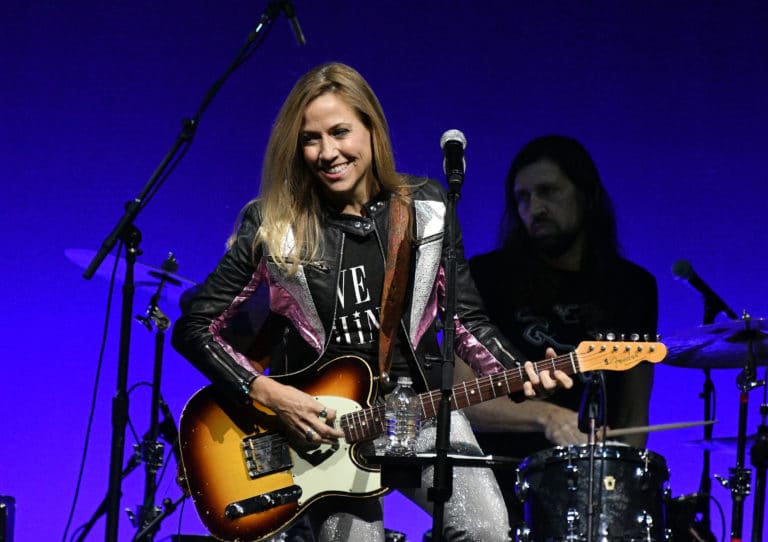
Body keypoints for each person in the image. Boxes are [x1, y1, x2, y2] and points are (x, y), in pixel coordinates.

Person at [171, 63, 569, 542]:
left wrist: (520, 372)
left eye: (341, 132)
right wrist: (271, 396)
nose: (328, 152)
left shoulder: (427, 210)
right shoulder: (275, 223)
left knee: (485, 529)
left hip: (419, 410)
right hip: (325, 434)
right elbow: (194, 326)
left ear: (372, 130)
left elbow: (466, 323)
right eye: (311, 139)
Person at [462, 134, 657, 526]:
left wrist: (615, 489)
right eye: (522, 198)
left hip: (591, 489)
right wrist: (547, 417)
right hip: (497, 485)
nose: (534, 208)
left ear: (586, 195)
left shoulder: (633, 287)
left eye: (548, 191)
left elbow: (634, 410)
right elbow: (462, 397)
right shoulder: (486, 277)